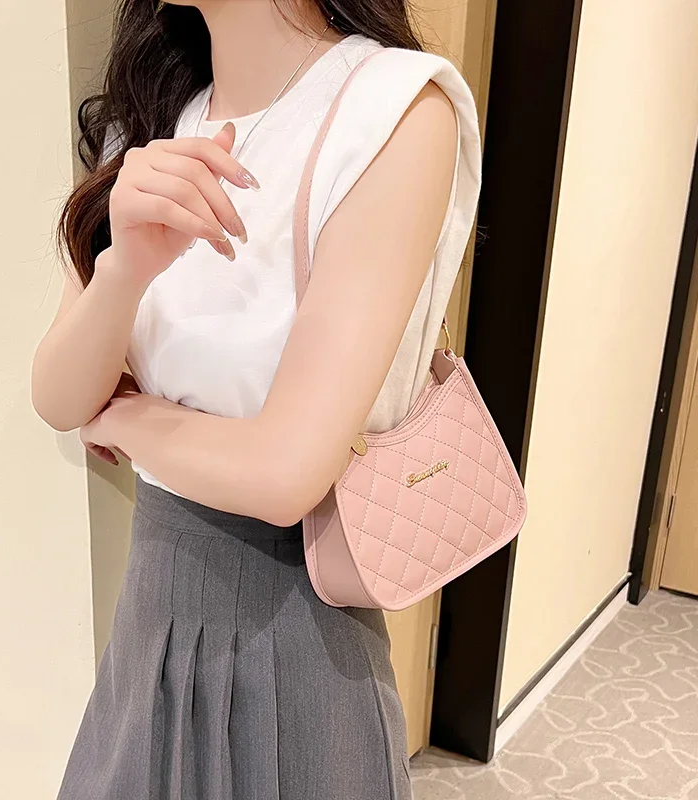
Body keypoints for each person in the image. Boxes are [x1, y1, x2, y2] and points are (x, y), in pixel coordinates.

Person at [32, 0, 481, 797]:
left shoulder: (395, 109)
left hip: (296, 637)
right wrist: (126, 269)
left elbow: (284, 476)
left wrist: (124, 414)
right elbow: (59, 396)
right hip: (149, 618)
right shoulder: (149, 116)